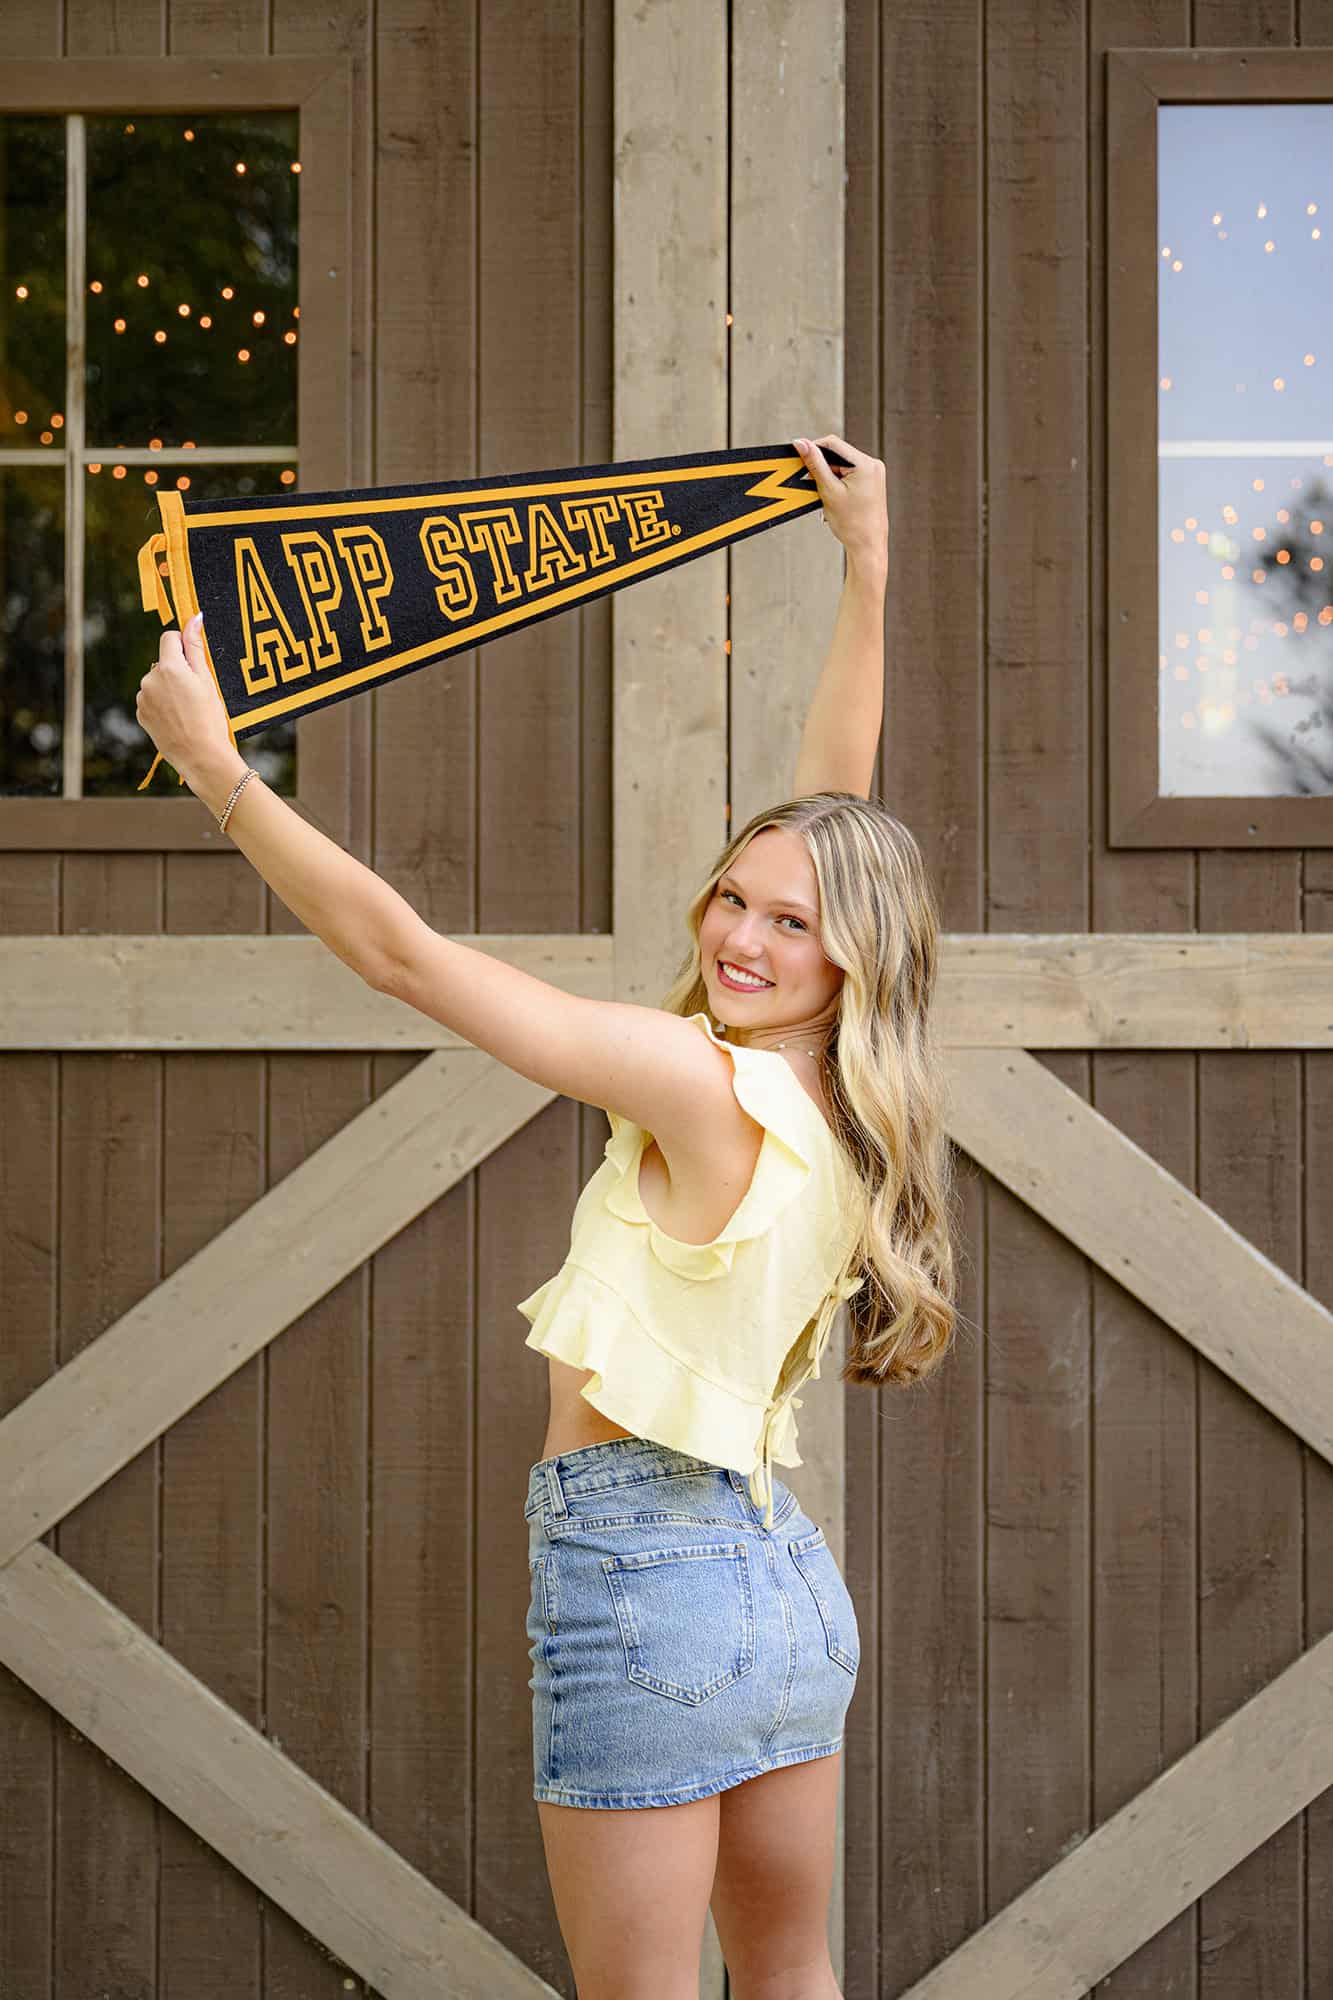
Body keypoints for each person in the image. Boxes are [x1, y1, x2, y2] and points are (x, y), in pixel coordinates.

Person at [136, 432, 958, 2000]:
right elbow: (835, 815)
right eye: (732, 895)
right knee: (790, 1979)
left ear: (847, 953)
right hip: (782, 1589)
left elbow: (405, 960)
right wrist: (866, 569)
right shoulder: (851, 1101)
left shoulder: (693, 1080)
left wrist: (219, 772)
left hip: (643, 1581)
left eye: (785, 924)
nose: (739, 931)